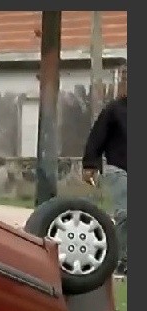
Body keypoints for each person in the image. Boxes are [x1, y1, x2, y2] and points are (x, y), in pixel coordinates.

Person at [82, 67, 127, 276]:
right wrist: (90, 165)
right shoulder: (114, 110)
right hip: (118, 169)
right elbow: (96, 137)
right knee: (126, 213)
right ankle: (119, 260)